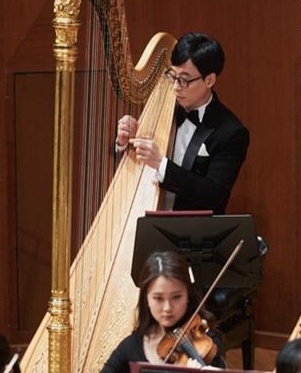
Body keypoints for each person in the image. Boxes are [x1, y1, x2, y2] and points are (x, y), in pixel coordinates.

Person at [115, 32, 249, 214]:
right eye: (173, 76)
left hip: (192, 235)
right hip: (147, 219)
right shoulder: (162, 111)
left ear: (209, 80)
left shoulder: (231, 132)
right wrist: (124, 144)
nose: (176, 86)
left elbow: (215, 196)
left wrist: (162, 165)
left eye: (185, 80)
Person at [101, 251, 226, 373]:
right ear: (146, 299)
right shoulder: (131, 347)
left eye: (176, 297)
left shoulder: (207, 341)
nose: (167, 308)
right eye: (158, 298)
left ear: (188, 296)